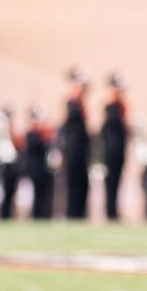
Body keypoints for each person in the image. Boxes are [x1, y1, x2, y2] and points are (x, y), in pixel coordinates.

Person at [59, 68, 91, 220]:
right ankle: (72, 214)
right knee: (73, 183)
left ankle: (80, 214)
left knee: (82, 183)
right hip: (73, 149)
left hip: (82, 149)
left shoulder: (82, 104)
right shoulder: (71, 103)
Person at [99, 73, 130, 222]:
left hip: (118, 151)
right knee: (111, 182)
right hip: (112, 151)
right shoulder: (112, 107)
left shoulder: (120, 107)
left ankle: (113, 210)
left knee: (116, 181)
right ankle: (110, 212)